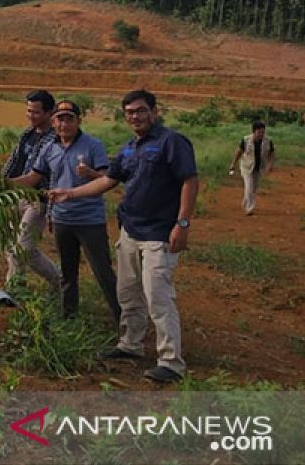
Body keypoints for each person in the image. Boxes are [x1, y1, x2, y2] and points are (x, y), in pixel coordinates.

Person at [49, 89, 198, 384]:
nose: (135, 116)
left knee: (157, 294)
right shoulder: (130, 148)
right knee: (128, 291)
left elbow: (189, 180)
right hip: (130, 229)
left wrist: (182, 222)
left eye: (141, 111)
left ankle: (171, 361)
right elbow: (107, 180)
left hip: (160, 233)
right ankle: (130, 344)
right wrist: (70, 193)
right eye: (129, 112)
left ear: (154, 112)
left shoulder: (172, 143)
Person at [12, 99, 121, 322]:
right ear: (53, 122)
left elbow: (109, 179)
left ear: (79, 121)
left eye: (69, 119)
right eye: (60, 120)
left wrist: (90, 172)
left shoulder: (93, 145)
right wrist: (4, 184)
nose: (64, 125)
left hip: (89, 219)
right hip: (62, 219)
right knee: (68, 274)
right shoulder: (49, 149)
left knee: (103, 272)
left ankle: (124, 319)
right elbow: (33, 178)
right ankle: (69, 318)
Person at [0, 89, 60, 289]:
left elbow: (36, 177)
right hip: (19, 197)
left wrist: (3, 185)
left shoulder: (54, 140)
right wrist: (2, 183)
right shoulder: (28, 134)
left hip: (39, 201)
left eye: (36, 112)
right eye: (28, 111)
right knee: (13, 248)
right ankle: (58, 281)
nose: (31, 116)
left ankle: (13, 291)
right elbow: (14, 161)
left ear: (50, 112)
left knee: (22, 249)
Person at [228, 121, 274, 215]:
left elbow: (272, 154)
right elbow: (239, 152)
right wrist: (233, 163)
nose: (261, 134)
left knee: (253, 188)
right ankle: (250, 208)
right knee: (249, 186)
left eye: (263, 132)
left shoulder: (267, 141)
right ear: (254, 131)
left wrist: (270, 165)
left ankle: (245, 202)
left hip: (258, 168)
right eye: (259, 132)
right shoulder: (246, 140)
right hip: (246, 167)